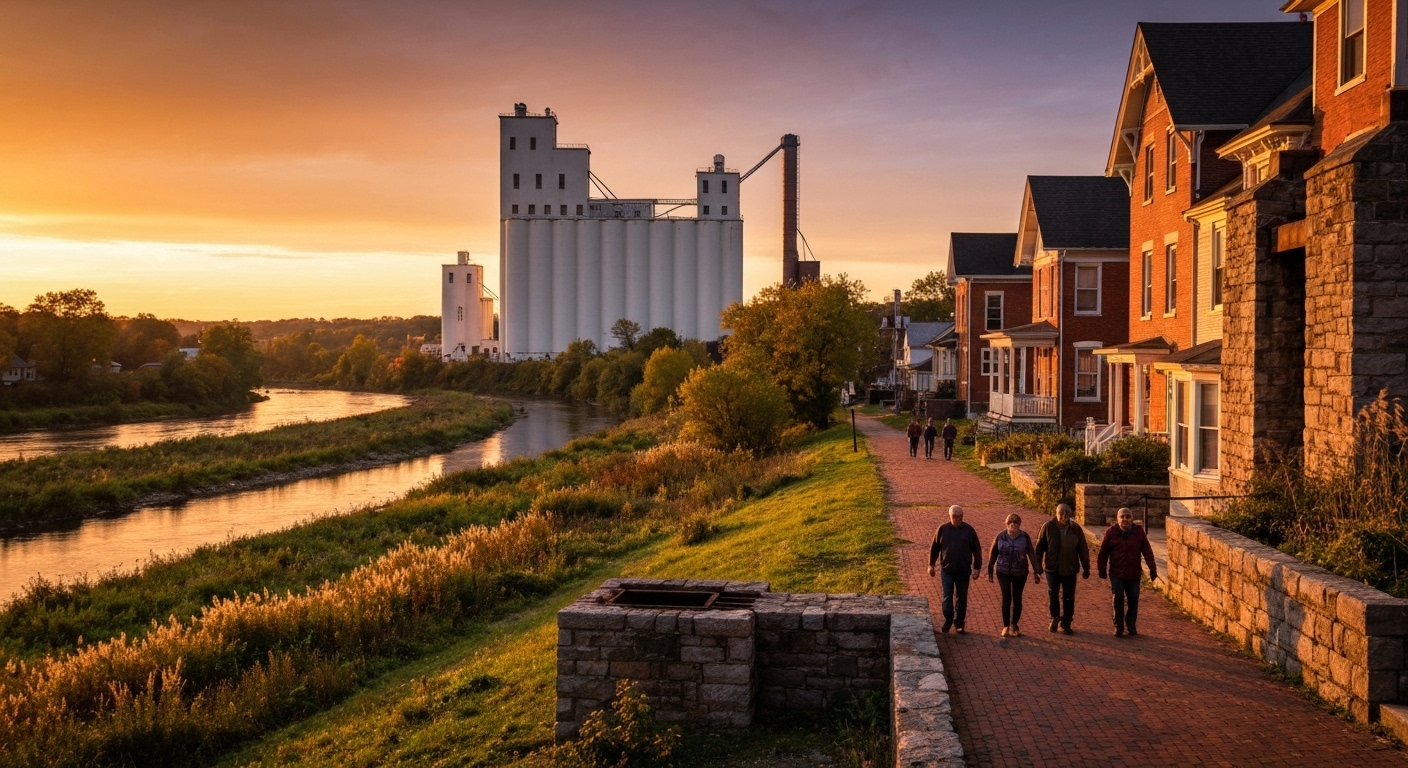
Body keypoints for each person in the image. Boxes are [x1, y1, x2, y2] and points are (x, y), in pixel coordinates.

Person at [1098, 507, 1158, 637]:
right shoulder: (1111, 533)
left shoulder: (1138, 532)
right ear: (1117, 519)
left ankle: (1131, 625)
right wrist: (1101, 569)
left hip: (1133, 573)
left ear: (1132, 518)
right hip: (1116, 573)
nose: (1125, 519)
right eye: (1122, 517)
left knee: (1133, 600)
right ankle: (1118, 625)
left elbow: (1147, 551)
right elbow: (1103, 553)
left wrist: (1152, 568)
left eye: (1128, 516)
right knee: (1118, 599)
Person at [1034, 503, 1089, 634]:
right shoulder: (1048, 527)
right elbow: (1039, 547)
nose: (1064, 516)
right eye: (1061, 514)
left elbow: (1082, 548)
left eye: (1067, 514)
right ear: (1056, 514)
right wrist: (1037, 566)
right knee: (1053, 593)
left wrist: (1086, 567)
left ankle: (1067, 622)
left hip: (1070, 568)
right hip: (1052, 568)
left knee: (1068, 596)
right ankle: (1055, 618)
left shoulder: (1076, 529)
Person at [927, 505, 982, 634]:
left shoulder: (969, 530)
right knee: (947, 596)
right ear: (950, 516)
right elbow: (934, 548)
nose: (958, 519)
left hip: (963, 570)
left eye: (960, 516)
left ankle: (959, 622)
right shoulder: (943, 529)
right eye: (955, 517)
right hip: (947, 569)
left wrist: (977, 568)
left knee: (961, 597)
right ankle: (948, 619)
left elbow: (977, 550)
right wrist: (931, 565)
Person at [987, 513, 1041, 638]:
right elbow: (993, 553)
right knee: (1006, 598)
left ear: (1019, 525)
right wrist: (990, 570)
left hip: (1020, 573)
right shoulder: (1001, 537)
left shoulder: (1024, 537)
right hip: (1003, 572)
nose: (1013, 526)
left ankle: (1014, 625)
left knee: (1017, 599)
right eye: (1011, 523)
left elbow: (1031, 554)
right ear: (1007, 525)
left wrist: (1036, 571)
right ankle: (1006, 626)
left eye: (1016, 523)